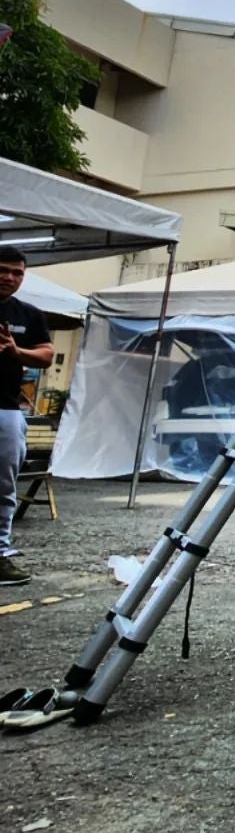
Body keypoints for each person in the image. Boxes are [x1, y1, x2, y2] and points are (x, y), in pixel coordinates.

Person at [0, 245, 54, 585]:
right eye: (3, 270)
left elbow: (47, 355)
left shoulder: (29, 315)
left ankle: (0, 553)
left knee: (3, 484)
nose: (9, 277)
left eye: (17, 272)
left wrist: (15, 350)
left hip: (5, 408)